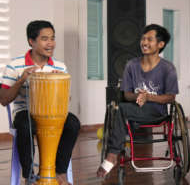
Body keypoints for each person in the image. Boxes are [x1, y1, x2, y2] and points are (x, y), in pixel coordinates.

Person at [0, 20, 81, 185]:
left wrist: (57, 84)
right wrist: (22, 79)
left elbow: (66, 100)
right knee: (25, 124)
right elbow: (3, 99)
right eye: (45, 39)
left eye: (52, 38)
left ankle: (59, 172)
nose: (50, 43)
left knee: (73, 123)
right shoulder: (14, 65)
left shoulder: (59, 66)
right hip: (26, 113)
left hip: (54, 116)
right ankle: (29, 175)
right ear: (32, 41)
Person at [96, 24, 179, 178]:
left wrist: (149, 97)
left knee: (122, 109)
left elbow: (170, 97)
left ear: (160, 44)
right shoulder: (131, 65)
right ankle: (119, 144)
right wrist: (138, 96)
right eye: (143, 39)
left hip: (156, 111)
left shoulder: (168, 68)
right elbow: (127, 94)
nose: (144, 42)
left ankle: (112, 154)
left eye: (149, 39)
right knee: (122, 107)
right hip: (134, 109)